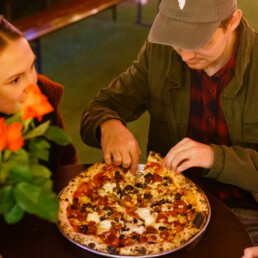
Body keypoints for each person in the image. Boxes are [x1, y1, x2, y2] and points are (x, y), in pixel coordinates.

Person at [80, 0, 258, 244]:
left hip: (246, 213)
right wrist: (108, 124)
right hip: (164, 204)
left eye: (200, 41)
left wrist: (215, 157)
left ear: (233, 21)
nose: (185, 55)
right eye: (176, 39)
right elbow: (101, 107)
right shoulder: (160, 52)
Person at [0, 16, 78, 170]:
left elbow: (67, 158)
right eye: (15, 80)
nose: (33, 86)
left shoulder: (46, 92)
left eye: (31, 67)